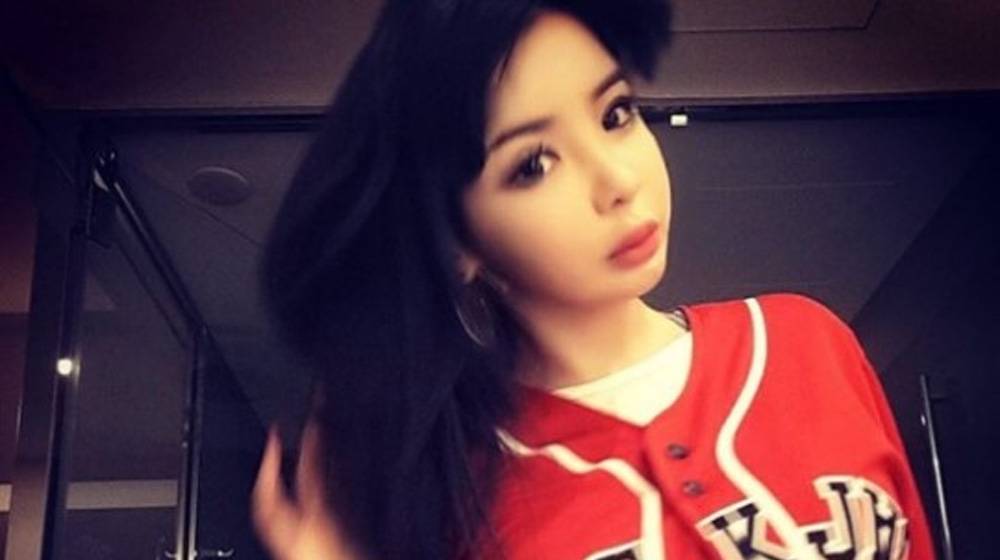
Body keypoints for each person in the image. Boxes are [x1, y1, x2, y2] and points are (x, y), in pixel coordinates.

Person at [252, 0, 936, 558]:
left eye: (615, 114)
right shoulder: (468, 501)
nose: (617, 179)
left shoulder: (805, 341)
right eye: (533, 164)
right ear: (458, 243)